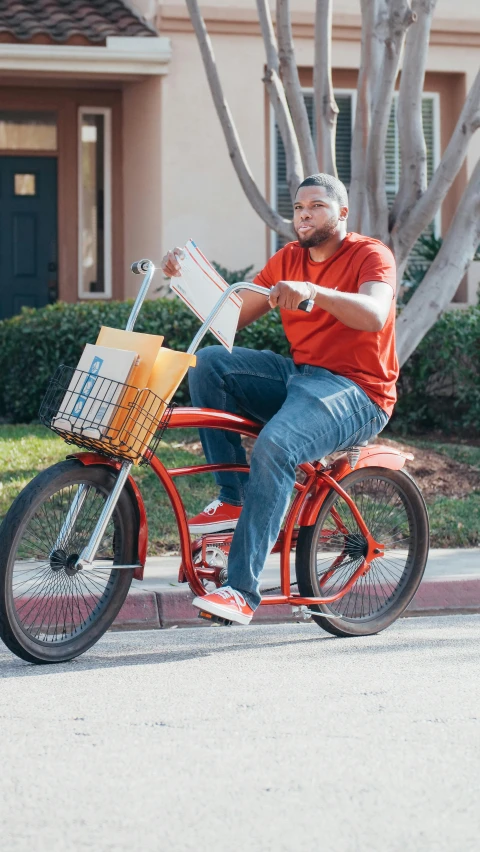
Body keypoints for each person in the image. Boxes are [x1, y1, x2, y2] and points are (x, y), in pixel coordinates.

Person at [161, 173, 398, 625]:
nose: (305, 214)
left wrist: (314, 292)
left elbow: (374, 314)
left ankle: (240, 591)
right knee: (212, 362)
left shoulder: (370, 254)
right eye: (299, 208)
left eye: (317, 207)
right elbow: (229, 319)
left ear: (342, 213)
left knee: (276, 444)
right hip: (302, 376)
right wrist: (185, 277)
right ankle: (233, 499)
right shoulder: (289, 257)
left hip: (359, 390)